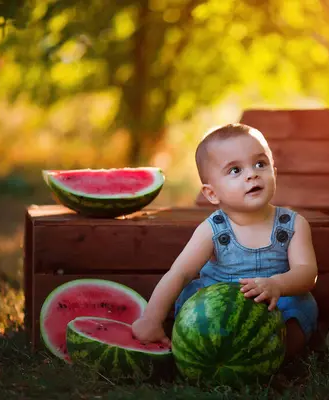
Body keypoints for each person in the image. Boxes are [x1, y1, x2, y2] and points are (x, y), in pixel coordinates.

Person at [131, 123, 319, 358]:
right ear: (212, 193)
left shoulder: (293, 224)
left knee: (302, 306)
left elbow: (307, 271)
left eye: (261, 164)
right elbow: (179, 273)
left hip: (275, 304)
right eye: (235, 170)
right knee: (191, 300)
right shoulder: (212, 230)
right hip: (217, 312)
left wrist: (278, 285)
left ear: (274, 173)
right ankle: (207, 354)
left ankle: (276, 358)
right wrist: (151, 319)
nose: (252, 174)